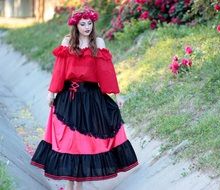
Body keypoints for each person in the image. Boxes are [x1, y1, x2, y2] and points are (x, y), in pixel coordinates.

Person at [30, 5, 139, 190]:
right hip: (68, 98)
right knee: (69, 143)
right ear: (76, 25)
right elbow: (59, 70)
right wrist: (52, 92)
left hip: (91, 99)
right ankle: (69, 185)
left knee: (83, 144)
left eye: (89, 23)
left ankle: (78, 188)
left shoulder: (99, 43)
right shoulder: (67, 42)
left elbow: (107, 73)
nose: (87, 27)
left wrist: (117, 95)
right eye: (83, 24)